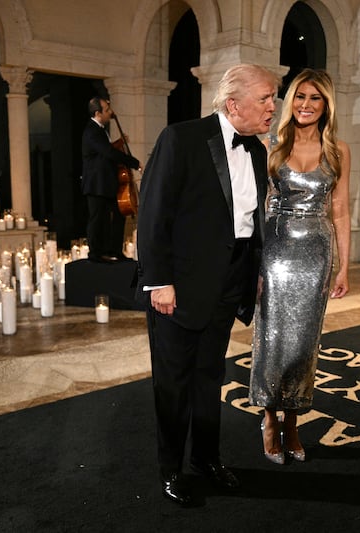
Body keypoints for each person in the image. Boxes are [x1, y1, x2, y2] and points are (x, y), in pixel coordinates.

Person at [136, 64, 279, 505]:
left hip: (228, 285)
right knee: (173, 383)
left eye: (274, 98)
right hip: (177, 289)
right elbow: (153, 215)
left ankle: (207, 459)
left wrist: (252, 275)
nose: (274, 107)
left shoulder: (256, 152)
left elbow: (249, 223)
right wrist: (159, 282)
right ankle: (170, 469)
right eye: (265, 99)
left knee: (209, 378)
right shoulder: (180, 139)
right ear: (234, 104)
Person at [248, 68, 351, 465]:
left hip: (316, 253)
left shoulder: (338, 149)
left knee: (305, 344)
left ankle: (293, 420)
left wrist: (343, 267)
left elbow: (340, 210)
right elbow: (256, 208)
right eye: (301, 97)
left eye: (315, 98)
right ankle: (269, 418)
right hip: (274, 251)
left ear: (326, 105)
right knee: (272, 339)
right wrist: (254, 263)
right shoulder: (271, 145)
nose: (306, 105)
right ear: (290, 101)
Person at [81, 96, 142, 262]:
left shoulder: (100, 130)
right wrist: (134, 162)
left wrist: (119, 143)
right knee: (97, 219)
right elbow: (108, 153)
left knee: (118, 215)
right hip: (96, 184)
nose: (110, 112)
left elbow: (104, 151)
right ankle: (95, 254)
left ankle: (114, 250)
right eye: (107, 110)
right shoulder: (92, 130)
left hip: (106, 182)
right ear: (98, 113)